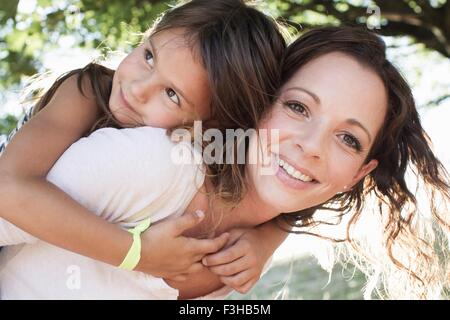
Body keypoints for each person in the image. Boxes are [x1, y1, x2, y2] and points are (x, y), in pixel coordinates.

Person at [2, 26, 447, 299]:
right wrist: (135, 252)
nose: (312, 146)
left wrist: (271, 234)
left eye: (348, 139)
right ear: (254, 105)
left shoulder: (244, 253)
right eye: (297, 107)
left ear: (358, 175)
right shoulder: (150, 163)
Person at [0, 0, 288, 293]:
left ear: (210, 127)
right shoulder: (87, 89)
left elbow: (300, 190)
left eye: (172, 94)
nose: (138, 88)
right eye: (149, 57)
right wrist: (137, 253)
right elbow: (7, 188)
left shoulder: (202, 159)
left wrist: (267, 238)